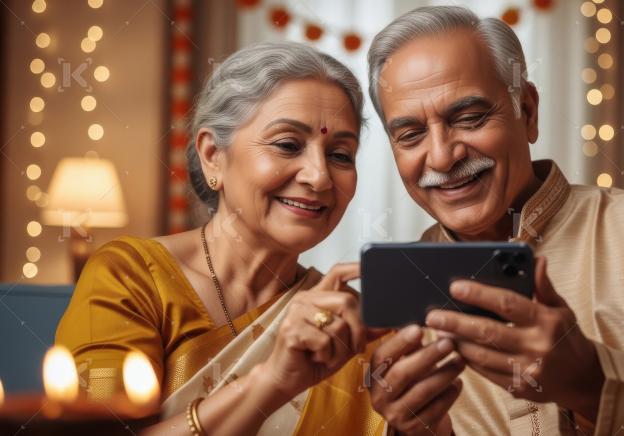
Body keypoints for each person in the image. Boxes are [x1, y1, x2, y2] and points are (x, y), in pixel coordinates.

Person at [365, 6, 624, 435]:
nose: (441, 156)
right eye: (411, 135)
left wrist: (594, 384)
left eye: (470, 118)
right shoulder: (406, 285)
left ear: (527, 111)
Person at [56, 41, 386, 435]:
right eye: (287, 145)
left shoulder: (350, 324)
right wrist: (270, 383)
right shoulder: (132, 277)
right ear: (213, 155)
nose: (319, 176)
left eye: (340, 154)